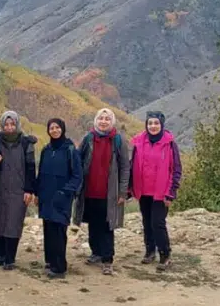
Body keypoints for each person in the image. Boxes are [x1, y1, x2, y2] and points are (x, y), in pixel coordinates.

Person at [73, 108, 130, 276]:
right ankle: (96, 252)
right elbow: (77, 159)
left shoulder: (118, 140)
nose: (103, 121)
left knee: (106, 226)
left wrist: (122, 192)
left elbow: (125, 168)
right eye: (101, 118)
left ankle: (107, 259)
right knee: (93, 223)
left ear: (111, 122)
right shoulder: (89, 138)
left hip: (109, 193)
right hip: (89, 191)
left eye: (107, 119)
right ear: (96, 121)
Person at [129, 111, 183, 272]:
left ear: (162, 125)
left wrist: (171, 192)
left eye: (156, 123)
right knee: (146, 222)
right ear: (146, 124)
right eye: (150, 123)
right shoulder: (139, 142)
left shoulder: (169, 143)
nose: (153, 126)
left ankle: (165, 254)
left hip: (161, 191)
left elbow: (176, 169)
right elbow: (133, 166)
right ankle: (149, 251)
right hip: (144, 189)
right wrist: (130, 188)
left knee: (157, 223)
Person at [0, 112, 37, 270]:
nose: (9, 128)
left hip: (18, 187)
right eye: (6, 125)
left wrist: (29, 189)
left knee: (13, 222)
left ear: (17, 125)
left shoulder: (25, 143)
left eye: (12, 124)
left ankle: (10, 258)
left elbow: (30, 167)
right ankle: (0, 255)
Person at [36, 118, 82, 280]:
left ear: (62, 129)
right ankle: (50, 261)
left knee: (59, 231)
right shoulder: (46, 150)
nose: (54, 130)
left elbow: (77, 176)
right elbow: (40, 173)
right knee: (48, 228)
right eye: (51, 128)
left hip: (62, 197)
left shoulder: (70, 150)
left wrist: (65, 192)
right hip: (46, 196)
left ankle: (59, 267)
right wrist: (37, 192)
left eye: (57, 127)